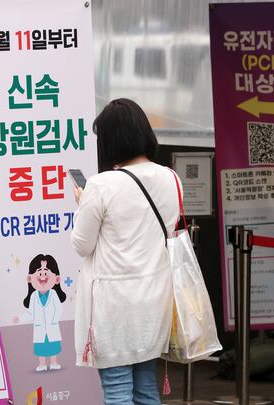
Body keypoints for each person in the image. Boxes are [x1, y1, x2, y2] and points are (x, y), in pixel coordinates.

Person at [71, 98, 181, 405]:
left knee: (117, 389)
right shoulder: (171, 178)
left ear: (111, 141)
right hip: (154, 300)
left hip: (114, 306)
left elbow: (82, 244)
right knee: (146, 388)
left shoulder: (100, 185)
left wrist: (81, 205)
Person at [14, 254, 67, 372]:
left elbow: (59, 309)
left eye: (46, 273)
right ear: (30, 278)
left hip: (52, 326)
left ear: (57, 279)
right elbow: (30, 313)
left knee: (53, 345)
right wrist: (20, 318)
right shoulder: (34, 296)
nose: (43, 276)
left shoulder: (53, 294)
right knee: (41, 347)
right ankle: (42, 364)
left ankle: (53, 362)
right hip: (39, 327)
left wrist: (53, 320)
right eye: (39, 273)